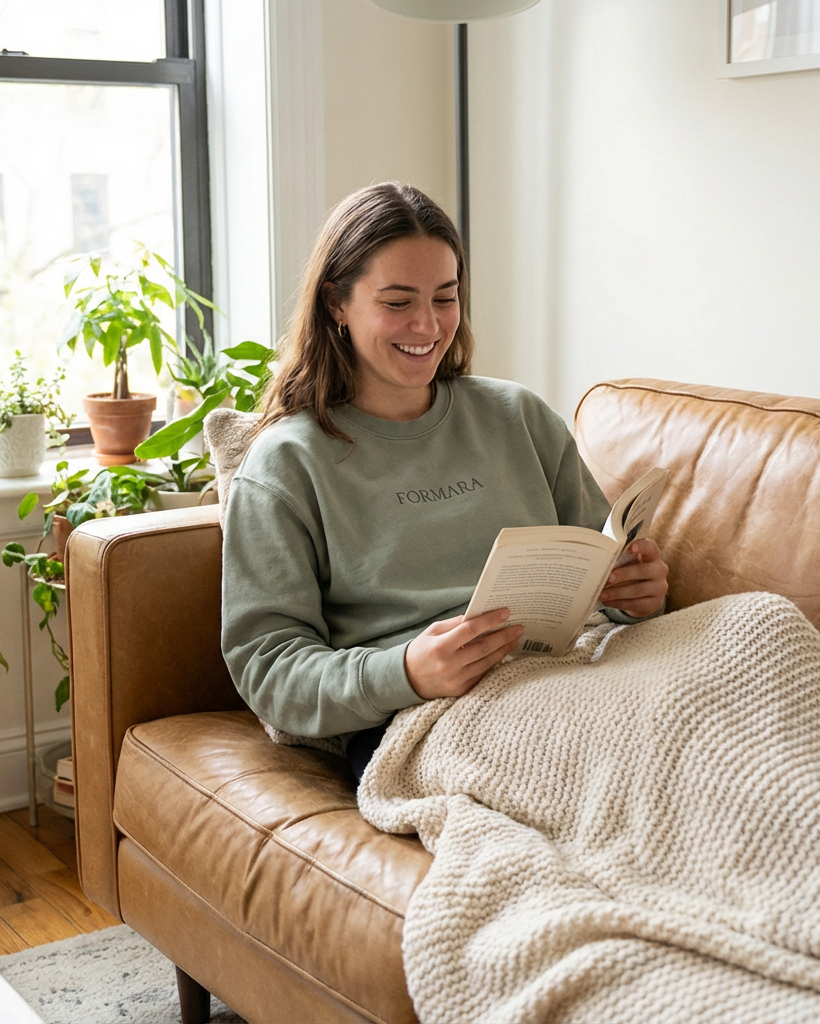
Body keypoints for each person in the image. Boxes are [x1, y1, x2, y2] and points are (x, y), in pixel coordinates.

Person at [221, 182, 669, 781]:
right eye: (398, 301)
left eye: (445, 297)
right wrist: (406, 671)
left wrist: (636, 598)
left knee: (759, 625)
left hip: (570, 672)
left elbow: (597, 565)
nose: (428, 325)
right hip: (427, 715)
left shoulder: (518, 416)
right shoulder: (285, 464)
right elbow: (268, 667)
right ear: (337, 304)